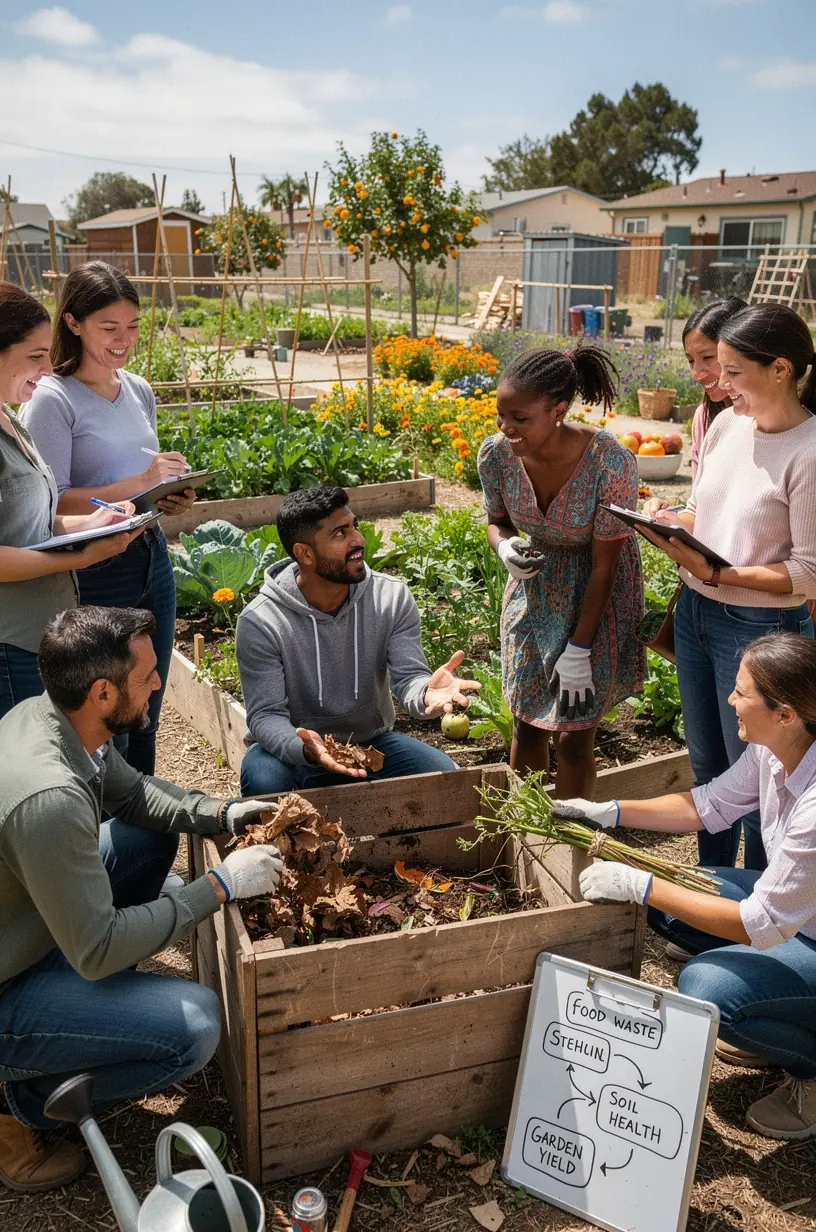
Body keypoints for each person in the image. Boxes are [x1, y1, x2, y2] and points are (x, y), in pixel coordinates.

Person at [0, 605, 282, 1192]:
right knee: (196, 1027)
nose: (159, 682)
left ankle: (78, 1023)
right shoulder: (50, 798)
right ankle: (17, 1100)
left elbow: (134, 800)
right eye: (148, 674)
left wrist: (220, 813)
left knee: (147, 836)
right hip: (10, 985)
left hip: (32, 922)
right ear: (103, 692)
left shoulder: (54, 716)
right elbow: (97, 950)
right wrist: (220, 885)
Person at [558, 632, 816, 1141]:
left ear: (785, 713)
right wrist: (609, 812)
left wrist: (642, 883)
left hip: (803, 932)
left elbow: (758, 924)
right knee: (677, 905)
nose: (730, 700)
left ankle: (810, 1069)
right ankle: (784, 1013)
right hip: (800, 918)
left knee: (709, 988)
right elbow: (708, 806)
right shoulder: (777, 749)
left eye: (742, 692)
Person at [643, 303, 816, 876]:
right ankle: (709, 888)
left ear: (781, 369)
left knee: (762, 781)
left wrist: (721, 574)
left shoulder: (809, 453)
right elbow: (701, 509)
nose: (721, 384)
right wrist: (669, 520)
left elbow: (809, 573)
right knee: (708, 766)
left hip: (759, 630)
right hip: (696, 610)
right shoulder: (725, 425)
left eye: (733, 371)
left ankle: (757, 909)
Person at [22, 261, 196, 774]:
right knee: (105, 718)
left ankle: (145, 831)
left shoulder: (137, 388)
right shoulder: (53, 398)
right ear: (73, 323)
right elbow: (51, 502)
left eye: (133, 327)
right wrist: (142, 483)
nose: (124, 340)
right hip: (96, 565)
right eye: (110, 328)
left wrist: (165, 496)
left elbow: (142, 481)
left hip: (150, 553)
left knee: (146, 704)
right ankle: (101, 837)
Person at [477, 344, 644, 797]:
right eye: (501, 415)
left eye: (520, 418)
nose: (506, 428)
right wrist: (505, 546)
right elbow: (496, 521)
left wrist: (579, 649)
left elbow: (606, 566)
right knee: (527, 723)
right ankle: (529, 832)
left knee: (574, 737)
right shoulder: (496, 456)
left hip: (595, 599)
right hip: (532, 593)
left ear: (558, 411)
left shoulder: (610, 463)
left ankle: (572, 840)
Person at [236, 486, 479, 795]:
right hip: (294, 754)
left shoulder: (390, 597)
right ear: (304, 553)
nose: (359, 541)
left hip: (370, 745)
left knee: (446, 782)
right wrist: (305, 748)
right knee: (263, 779)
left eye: (355, 526)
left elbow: (410, 678)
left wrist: (425, 693)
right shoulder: (261, 621)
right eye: (340, 534)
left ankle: (399, 842)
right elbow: (266, 715)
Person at [0, 282, 142, 718]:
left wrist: (97, 523)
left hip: (42, 633)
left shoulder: (10, 419)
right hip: (8, 641)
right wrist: (77, 559)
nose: (46, 369)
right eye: (35, 356)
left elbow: (37, 525)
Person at [644, 296, 746, 499]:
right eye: (691, 361)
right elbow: (699, 502)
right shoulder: (704, 417)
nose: (696, 373)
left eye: (707, 357)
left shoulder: (779, 423)